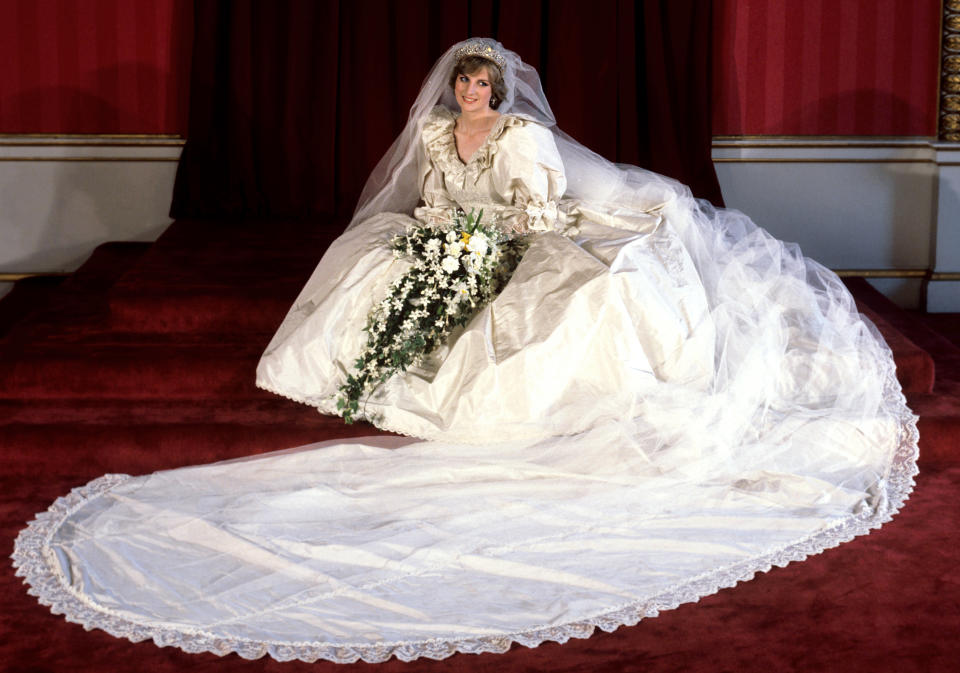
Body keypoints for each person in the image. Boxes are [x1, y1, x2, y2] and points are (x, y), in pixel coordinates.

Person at [13, 38, 918, 665]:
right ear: (453, 90)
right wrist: (443, 241)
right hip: (478, 233)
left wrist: (486, 245)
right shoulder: (439, 136)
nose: (472, 96)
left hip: (560, 215)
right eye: (463, 86)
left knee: (576, 292)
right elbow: (437, 200)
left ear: (502, 90)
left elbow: (536, 211)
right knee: (375, 255)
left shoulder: (526, 138)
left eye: (484, 85)